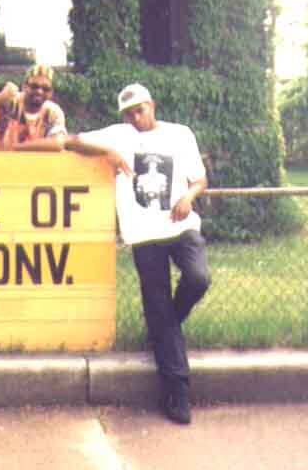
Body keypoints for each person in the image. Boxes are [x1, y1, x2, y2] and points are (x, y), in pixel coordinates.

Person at [57, 83, 210, 424]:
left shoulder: (180, 135)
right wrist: (105, 153)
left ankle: (164, 327)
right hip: (143, 236)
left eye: (140, 110)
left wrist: (189, 197)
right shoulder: (118, 135)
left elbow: (200, 179)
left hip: (181, 226)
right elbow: (69, 139)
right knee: (157, 306)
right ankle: (177, 392)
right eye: (129, 113)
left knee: (199, 278)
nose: (135, 118)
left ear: (152, 105)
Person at [0, 64, 67, 151]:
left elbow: (58, 143)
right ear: (24, 86)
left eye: (46, 88)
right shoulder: (9, 103)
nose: (39, 91)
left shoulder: (53, 112)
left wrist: (17, 148)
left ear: (51, 93)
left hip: (34, 170)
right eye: (34, 86)